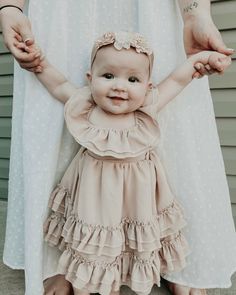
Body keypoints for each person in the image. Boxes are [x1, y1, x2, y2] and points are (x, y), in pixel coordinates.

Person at [0, 1, 236, 295]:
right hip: (92, 197)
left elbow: (176, 80)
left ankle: (151, 269)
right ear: (90, 79)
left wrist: (198, 63)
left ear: (148, 86)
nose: (119, 87)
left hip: (137, 195)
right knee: (90, 235)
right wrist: (40, 64)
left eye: (133, 79)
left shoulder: (147, 107)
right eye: (108, 76)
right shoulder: (85, 104)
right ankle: (82, 273)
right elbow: (59, 85)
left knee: (135, 229)